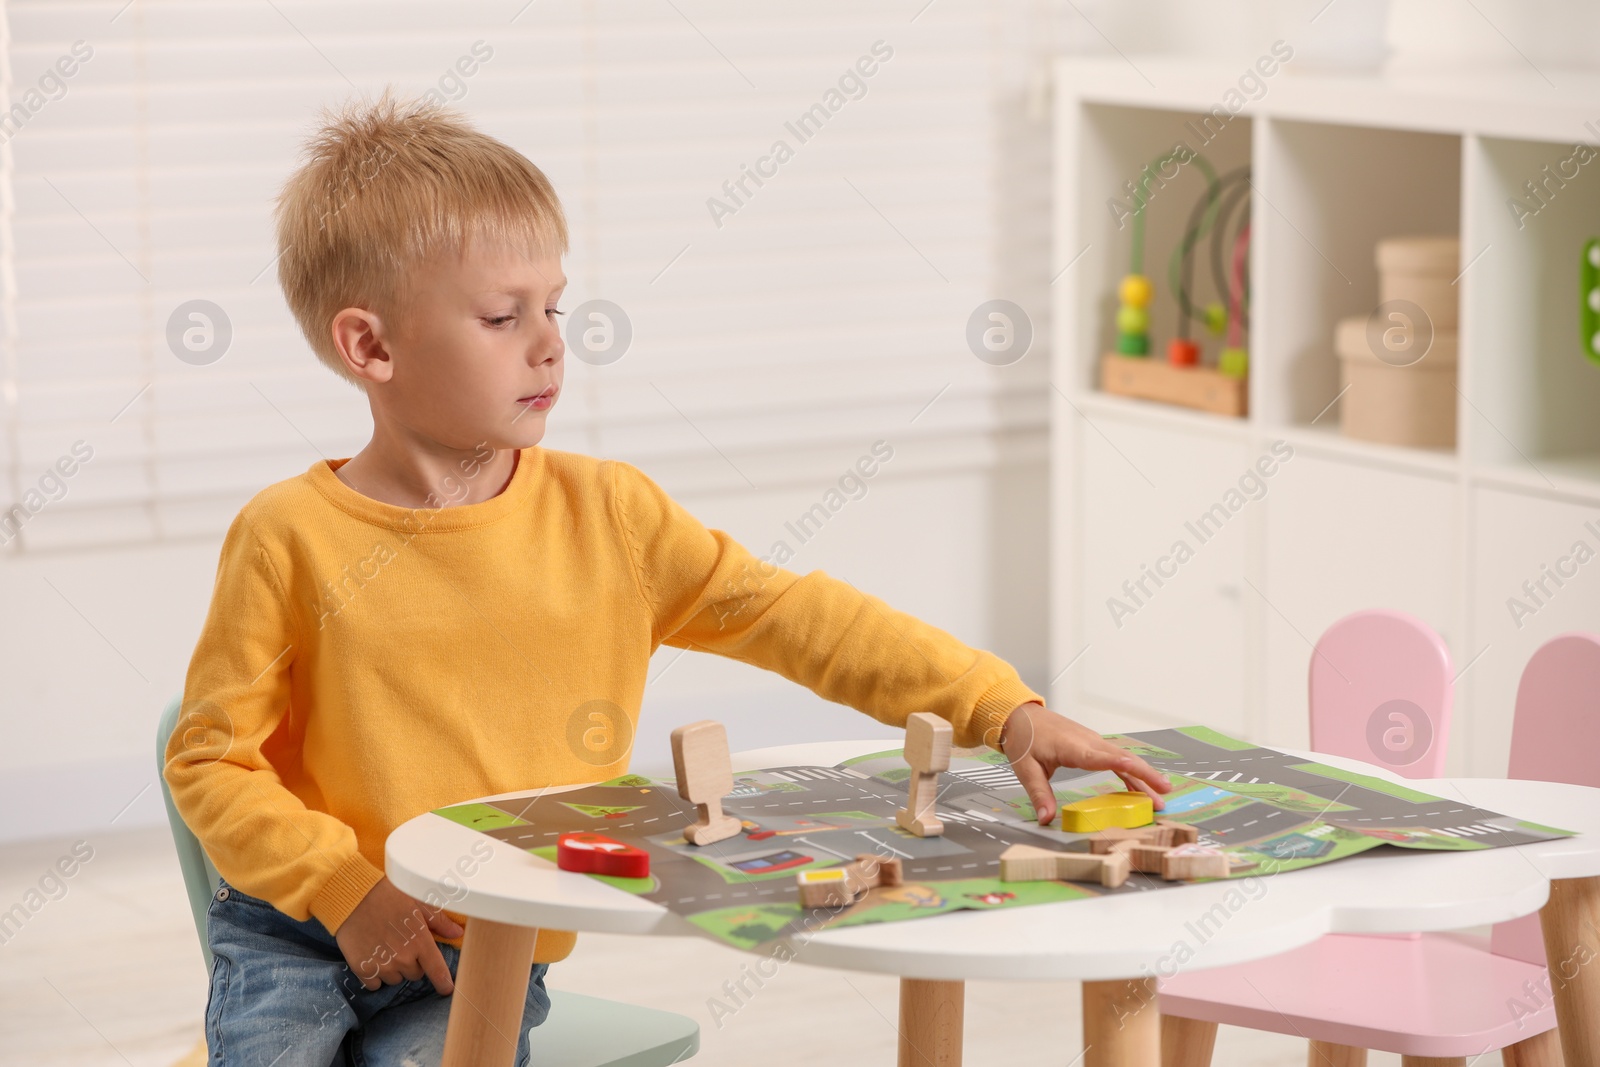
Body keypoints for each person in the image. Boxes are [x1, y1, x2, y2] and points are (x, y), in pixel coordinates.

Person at [164, 91, 1171, 1067]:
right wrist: (342, 887)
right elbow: (210, 758)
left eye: (553, 305)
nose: (551, 341)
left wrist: (1000, 707)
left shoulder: (610, 517)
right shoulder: (286, 534)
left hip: (487, 940)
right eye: (502, 316)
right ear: (370, 345)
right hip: (298, 929)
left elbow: (801, 617)